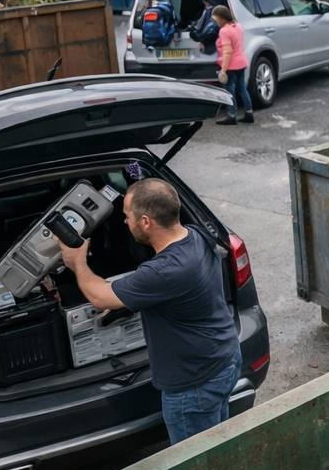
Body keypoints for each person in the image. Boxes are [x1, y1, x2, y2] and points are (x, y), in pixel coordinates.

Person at [58, 179, 242, 445]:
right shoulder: (195, 234)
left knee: (195, 464)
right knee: (218, 445)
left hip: (194, 384)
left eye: (126, 216)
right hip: (224, 359)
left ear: (145, 222)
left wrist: (77, 262)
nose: (124, 222)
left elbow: (98, 297)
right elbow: (167, 293)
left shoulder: (163, 271)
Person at [212, 4, 252, 124]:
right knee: (242, 89)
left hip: (231, 66)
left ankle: (231, 115)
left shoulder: (224, 31)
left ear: (222, 18)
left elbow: (227, 52)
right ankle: (249, 113)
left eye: (216, 19)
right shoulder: (237, 26)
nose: (215, 22)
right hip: (241, 62)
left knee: (229, 90)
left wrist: (223, 70)